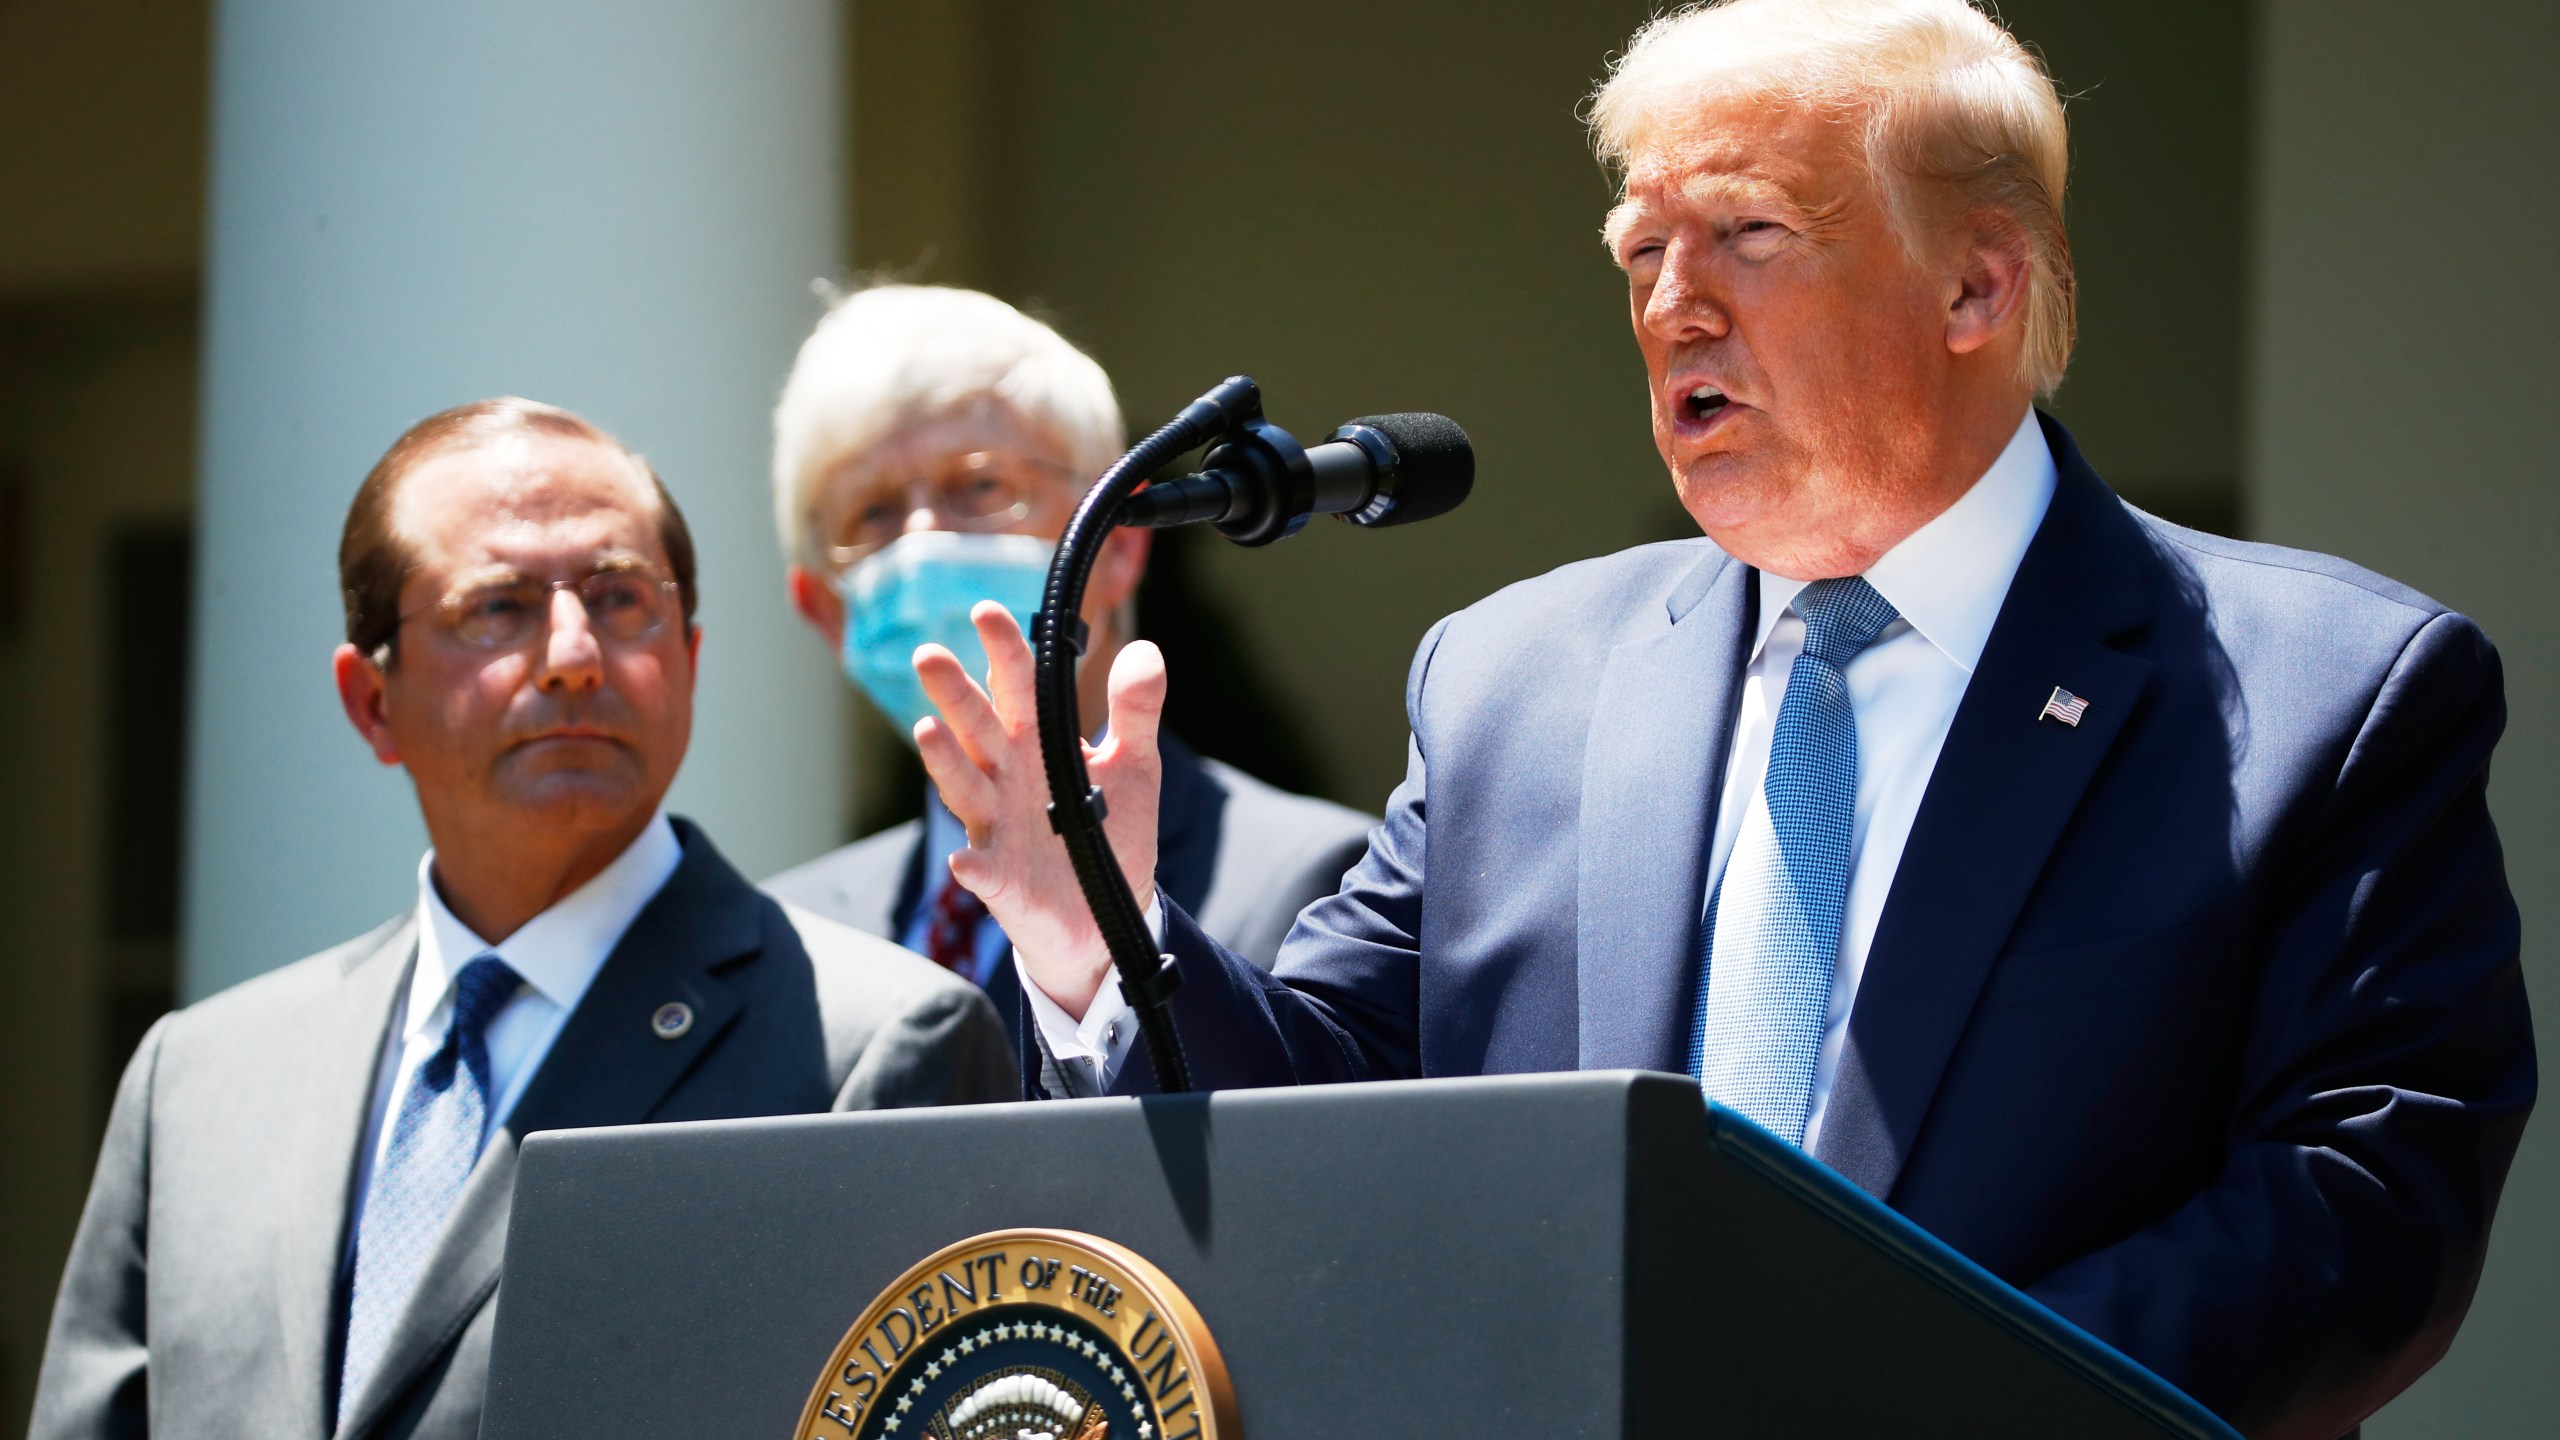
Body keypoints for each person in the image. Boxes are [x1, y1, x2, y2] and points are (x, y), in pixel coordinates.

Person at [901, 2, 2536, 1435]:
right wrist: (1101, 940)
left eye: (1747, 234)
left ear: (1978, 284)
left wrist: (1899, 1402)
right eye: (1640, 253)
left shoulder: (2323, 693)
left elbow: (2359, 1209)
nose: (1671, 307)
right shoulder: (1511, 683)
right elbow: (1328, 1124)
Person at [30, 399, 1015, 1440]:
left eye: (621, 596)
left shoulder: (871, 1052)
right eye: (497, 607)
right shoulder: (198, 1086)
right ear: (372, 703)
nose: (573, 654)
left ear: (688, 656)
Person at [760, 284, 1374, 1089]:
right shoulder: (784, 941)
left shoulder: (1317, 881)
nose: (921, 539)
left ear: (1123, 542)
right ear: (821, 609)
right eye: (869, 512)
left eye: (979, 487)